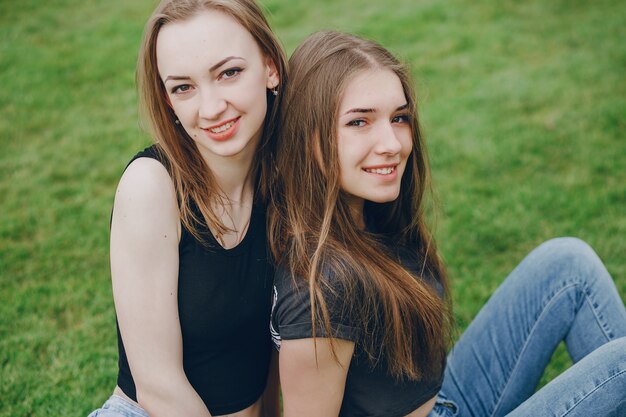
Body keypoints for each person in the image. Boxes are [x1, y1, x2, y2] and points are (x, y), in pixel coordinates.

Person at [269, 30, 626, 417]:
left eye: (399, 117)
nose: (391, 142)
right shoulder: (321, 288)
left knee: (567, 264)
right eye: (359, 123)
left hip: (446, 399)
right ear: (308, 138)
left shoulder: (366, 216)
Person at [89, 1, 286, 416]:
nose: (211, 108)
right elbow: (158, 387)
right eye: (184, 87)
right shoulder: (151, 187)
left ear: (270, 68)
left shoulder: (285, 175)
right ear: (169, 100)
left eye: (228, 73)